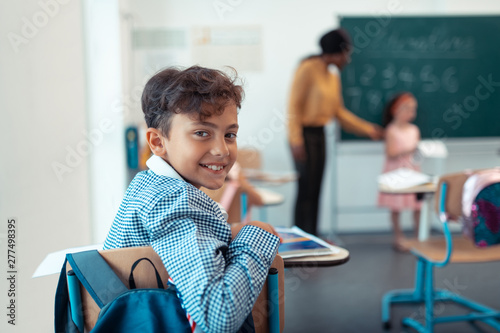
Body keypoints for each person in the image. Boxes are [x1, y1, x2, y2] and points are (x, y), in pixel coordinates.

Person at [103, 66, 281, 333]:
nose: (222, 150)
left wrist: (229, 231)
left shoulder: (146, 184)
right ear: (158, 141)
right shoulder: (175, 200)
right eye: (202, 133)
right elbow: (218, 317)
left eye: (229, 134)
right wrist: (257, 234)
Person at [287, 28, 383, 236]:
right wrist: (295, 140)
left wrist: (369, 130)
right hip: (303, 135)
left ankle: (312, 238)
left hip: (320, 134)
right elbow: (293, 106)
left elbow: (339, 112)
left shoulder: (332, 75)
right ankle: (297, 240)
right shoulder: (307, 68)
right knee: (305, 190)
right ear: (335, 52)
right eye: (346, 53)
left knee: (316, 190)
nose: (347, 59)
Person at [377, 92, 422, 252]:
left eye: (413, 109)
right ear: (396, 110)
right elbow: (390, 153)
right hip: (396, 172)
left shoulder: (414, 129)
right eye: (407, 108)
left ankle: (419, 237)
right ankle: (398, 237)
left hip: (412, 171)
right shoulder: (391, 130)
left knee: (417, 205)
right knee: (396, 206)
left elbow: (416, 153)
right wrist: (409, 149)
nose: (411, 112)